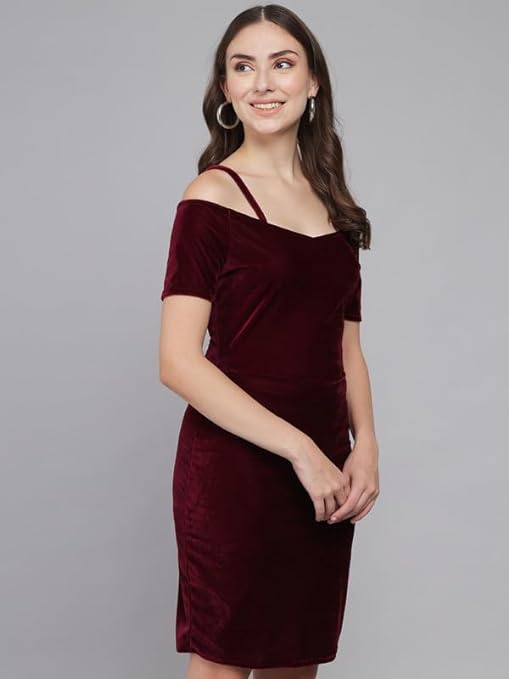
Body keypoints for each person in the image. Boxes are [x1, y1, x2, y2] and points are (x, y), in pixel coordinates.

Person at [159, 5, 379, 679]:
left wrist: (365, 444)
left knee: (296, 659)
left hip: (325, 470)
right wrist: (301, 450)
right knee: (223, 659)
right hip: (236, 468)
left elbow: (346, 348)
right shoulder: (210, 197)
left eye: (281, 64)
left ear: (312, 82)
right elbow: (176, 361)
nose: (262, 83)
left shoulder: (334, 207)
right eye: (242, 66)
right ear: (225, 90)